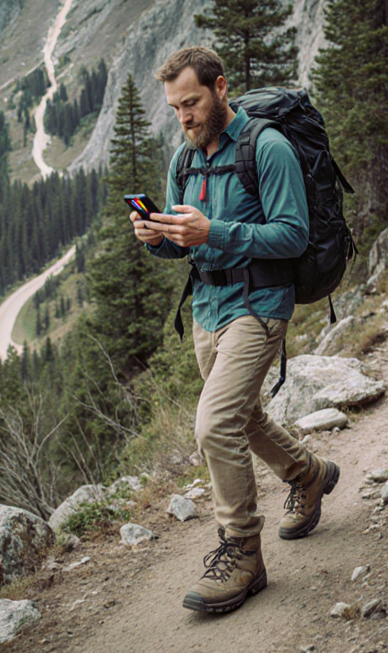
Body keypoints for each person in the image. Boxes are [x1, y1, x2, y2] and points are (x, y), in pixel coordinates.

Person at [131, 46, 340, 614]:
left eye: (192, 103)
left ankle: (243, 553)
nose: (185, 117)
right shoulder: (185, 158)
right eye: (175, 108)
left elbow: (293, 235)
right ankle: (310, 473)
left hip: (260, 304)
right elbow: (185, 241)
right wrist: (158, 238)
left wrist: (215, 232)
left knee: (215, 423)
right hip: (208, 308)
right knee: (241, 416)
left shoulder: (266, 149)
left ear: (220, 89)